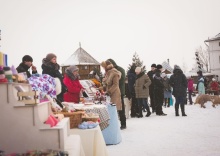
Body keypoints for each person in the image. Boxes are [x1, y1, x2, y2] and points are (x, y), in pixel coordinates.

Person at [101, 60, 123, 126]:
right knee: (111, 110)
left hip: (114, 93)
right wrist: (103, 87)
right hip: (109, 93)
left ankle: (115, 125)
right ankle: (112, 125)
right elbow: (106, 83)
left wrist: (109, 91)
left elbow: (115, 84)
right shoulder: (108, 73)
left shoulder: (114, 73)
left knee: (114, 110)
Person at [107, 58, 127, 129]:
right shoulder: (109, 71)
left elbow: (120, 81)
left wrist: (111, 87)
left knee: (121, 108)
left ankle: (123, 123)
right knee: (113, 109)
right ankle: (114, 124)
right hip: (112, 92)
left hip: (119, 91)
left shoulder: (120, 70)